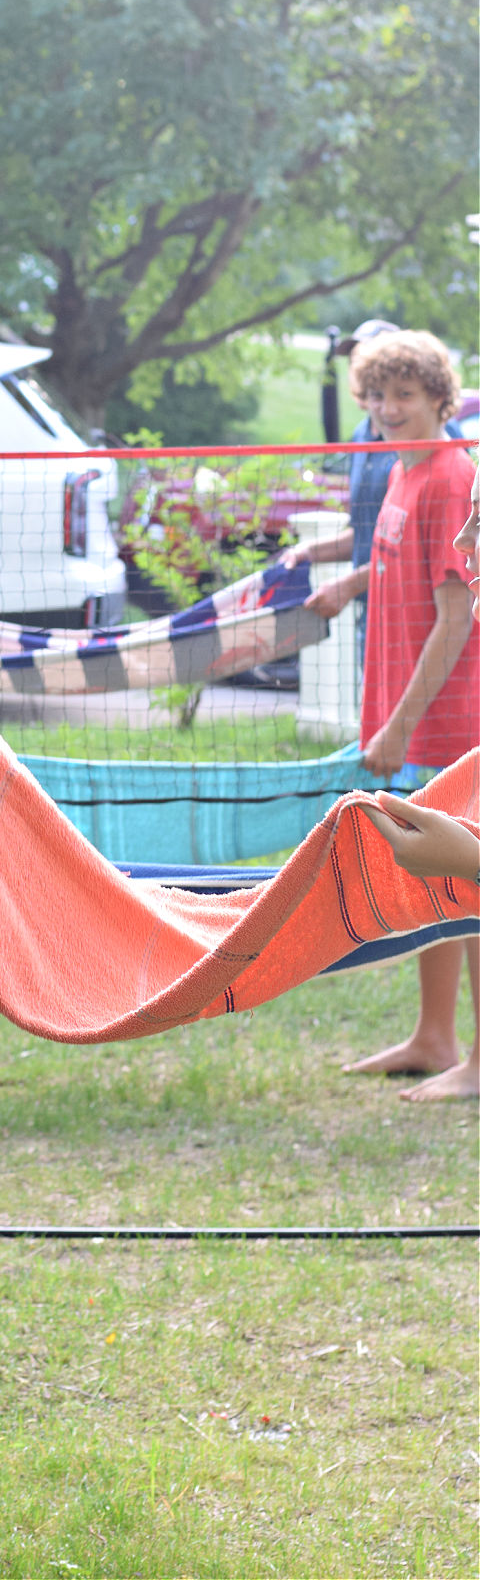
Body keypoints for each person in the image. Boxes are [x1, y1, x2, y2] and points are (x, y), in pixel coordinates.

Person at [342, 333, 479, 1099]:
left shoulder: (452, 477)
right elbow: (407, 562)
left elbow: (456, 617)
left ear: (438, 397)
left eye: (405, 394)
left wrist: (397, 724)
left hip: (450, 719)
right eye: (378, 395)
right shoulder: (406, 470)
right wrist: (348, 583)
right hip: (411, 710)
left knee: (471, 880)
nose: (388, 409)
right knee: (439, 883)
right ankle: (434, 1036)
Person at [283, 319, 463, 661]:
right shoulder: (364, 438)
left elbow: (427, 554)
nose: (359, 360)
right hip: (375, 612)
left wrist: (350, 584)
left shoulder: (436, 442)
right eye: (355, 356)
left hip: (419, 615)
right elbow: (372, 531)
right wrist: (310, 551)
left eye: (370, 351)